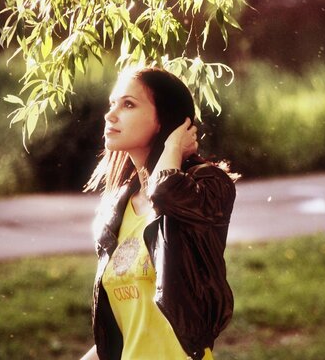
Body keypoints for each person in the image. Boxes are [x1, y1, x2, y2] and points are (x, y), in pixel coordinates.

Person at [80, 67, 237, 360]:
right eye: (112, 104)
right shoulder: (118, 207)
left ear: (165, 119)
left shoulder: (206, 187)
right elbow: (123, 333)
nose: (110, 115)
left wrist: (173, 144)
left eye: (128, 104)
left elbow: (164, 193)